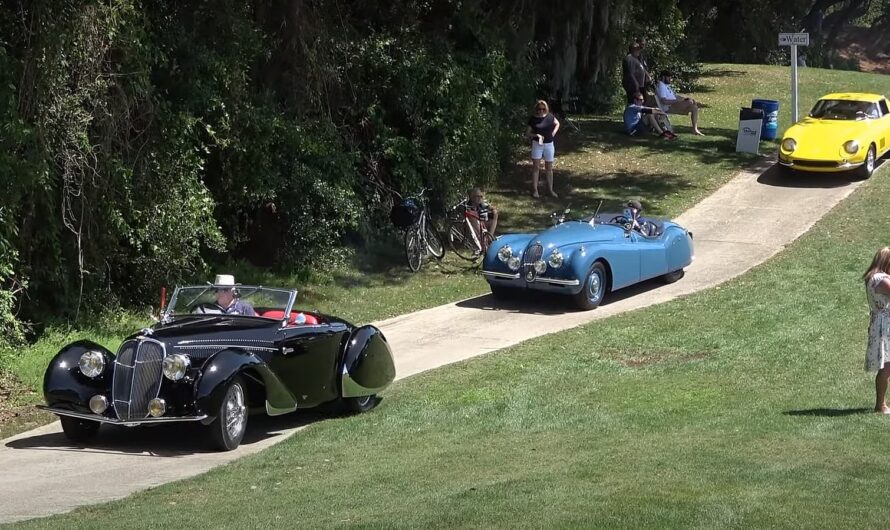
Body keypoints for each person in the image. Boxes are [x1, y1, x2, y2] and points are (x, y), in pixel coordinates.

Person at [864, 248, 890, 414]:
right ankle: (880, 405)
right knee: (887, 366)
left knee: (887, 365)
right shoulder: (881, 280)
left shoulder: (873, 278)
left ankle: (882, 403)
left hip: (881, 322)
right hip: (885, 325)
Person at [526, 100, 560, 198]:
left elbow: (557, 124)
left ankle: (550, 190)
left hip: (549, 144)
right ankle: (535, 190)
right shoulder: (533, 119)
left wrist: (553, 133)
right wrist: (536, 135)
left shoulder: (550, 117)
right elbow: (527, 133)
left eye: (543, 109)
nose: (541, 111)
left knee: (549, 168)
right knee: (536, 167)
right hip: (537, 144)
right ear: (536, 109)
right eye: (539, 109)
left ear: (546, 109)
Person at [656, 71, 704, 136]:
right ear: (663, 77)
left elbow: (675, 96)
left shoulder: (666, 86)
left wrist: (684, 99)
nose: (670, 79)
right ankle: (694, 129)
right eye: (669, 77)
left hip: (674, 105)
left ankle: (695, 129)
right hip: (669, 107)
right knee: (691, 102)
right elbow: (664, 101)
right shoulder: (661, 86)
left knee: (694, 107)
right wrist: (678, 101)